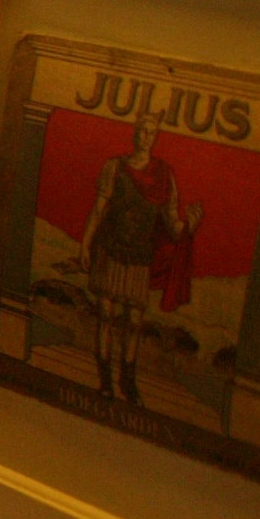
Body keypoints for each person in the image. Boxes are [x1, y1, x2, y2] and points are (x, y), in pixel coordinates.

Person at [78, 115, 201, 405]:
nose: (146, 136)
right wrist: (85, 245)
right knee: (106, 316)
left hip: (139, 256)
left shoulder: (163, 175)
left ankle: (128, 381)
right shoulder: (115, 167)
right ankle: (105, 380)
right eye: (142, 130)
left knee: (133, 320)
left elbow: (172, 225)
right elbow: (99, 209)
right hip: (110, 249)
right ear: (135, 133)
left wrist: (190, 226)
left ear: (155, 136)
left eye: (151, 132)